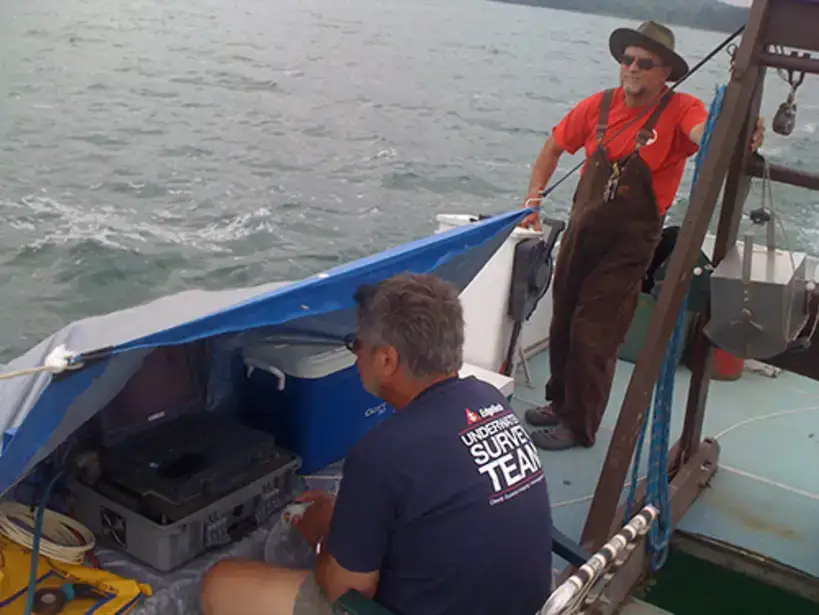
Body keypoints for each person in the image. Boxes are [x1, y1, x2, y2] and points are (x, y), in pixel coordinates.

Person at [200, 273, 554, 615]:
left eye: (357, 345)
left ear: (386, 360)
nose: (356, 356)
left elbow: (346, 592)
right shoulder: (488, 399)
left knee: (220, 583)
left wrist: (325, 534)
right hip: (527, 605)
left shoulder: (381, 454)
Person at [520, 21, 765, 451]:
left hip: (629, 246)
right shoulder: (598, 107)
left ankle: (580, 425)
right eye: (626, 59)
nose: (632, 68)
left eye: (644, 62)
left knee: (593, 331)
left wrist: (738, 132)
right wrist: (534, 201)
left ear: (665, 72)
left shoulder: (681, 109)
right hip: (581, 233)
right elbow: (552, 148)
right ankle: (560, 404)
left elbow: (705, 136)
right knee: (562, 322)